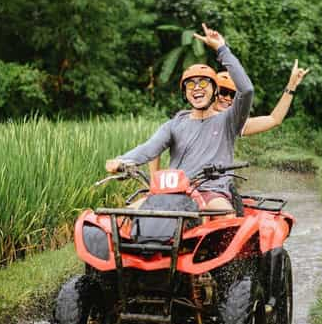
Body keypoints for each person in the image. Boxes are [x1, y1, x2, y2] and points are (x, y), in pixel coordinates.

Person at [105, 23, 253, 213]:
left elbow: (246, 90)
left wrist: (221, 49)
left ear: (215, 91)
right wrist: (123, 160)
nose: (197, 88)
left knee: (225, 215)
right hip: (172, 193)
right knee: (123, 216)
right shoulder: (174, 125)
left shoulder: (229, 121)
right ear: (185, 94)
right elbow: (149, 149)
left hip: (211, 192)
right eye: (190, 85)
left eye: (203, 83)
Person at [148, 60, 310, 174]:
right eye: (224, 93)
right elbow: (154, 147)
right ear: (213, 92)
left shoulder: (231, 122)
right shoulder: (184, 120)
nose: (227, 98)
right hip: (180, 186)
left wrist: (291, 86)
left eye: (232, 95)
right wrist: (156, 182)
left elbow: (274, 119)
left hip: (214, 187)